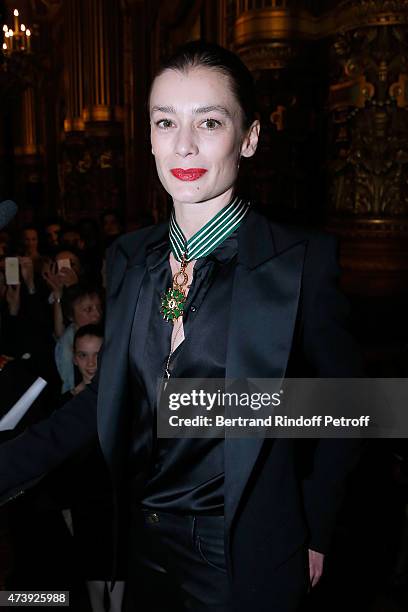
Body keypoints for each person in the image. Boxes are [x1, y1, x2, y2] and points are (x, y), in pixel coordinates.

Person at [0, 42, 363, 612]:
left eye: (210, 121)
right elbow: (107, 398)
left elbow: (347, 409)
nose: (184, 145)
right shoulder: (127, 258)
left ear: (249, 138)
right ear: (149, 137)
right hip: (139, 539)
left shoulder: (300, 262)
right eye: (165, 122)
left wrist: (315, 530)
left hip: (241, 548)